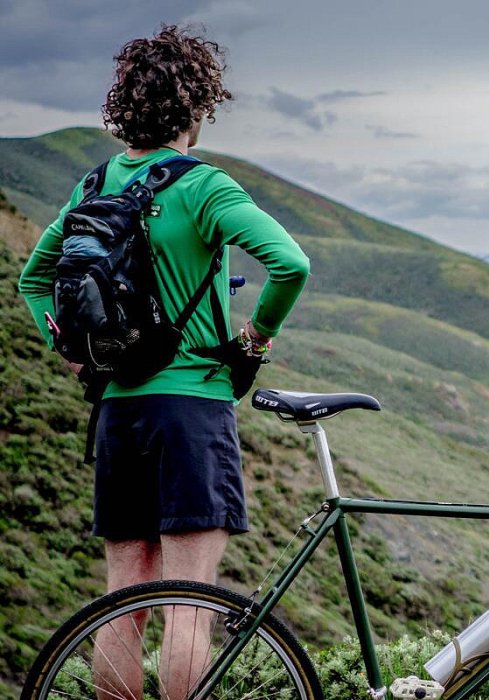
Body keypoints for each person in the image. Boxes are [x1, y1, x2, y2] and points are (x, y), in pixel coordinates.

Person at [18, 24, 310, 699]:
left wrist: (72, 352)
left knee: (123, 598)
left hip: (119, 409)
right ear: (198, 107)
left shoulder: (94, 184)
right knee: (190, 602)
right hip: (192, 408)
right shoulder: (205, 188)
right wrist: (257, 341)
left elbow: (35, 281)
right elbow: (291, 265)